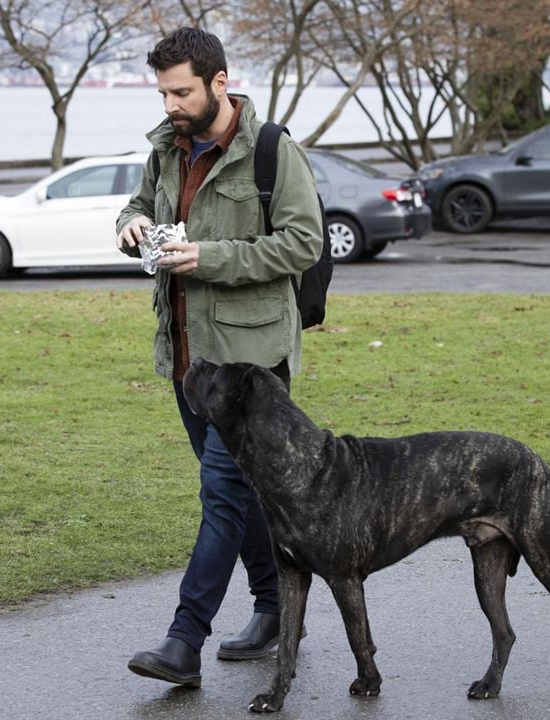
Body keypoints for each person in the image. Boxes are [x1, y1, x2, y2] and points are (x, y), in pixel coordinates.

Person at [115, 27, 322, 688]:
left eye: (182, 91)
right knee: (249, 493)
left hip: (251, 364)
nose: (171, 103)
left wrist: (211, 258)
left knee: (224, 496)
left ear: (218, 82)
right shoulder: (167, 148)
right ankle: (274, 610)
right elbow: (140, 204)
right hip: (186, 358)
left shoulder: (271, 151)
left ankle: (183, 641)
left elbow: (301, 243)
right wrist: (131, 225)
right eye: (164, 91)